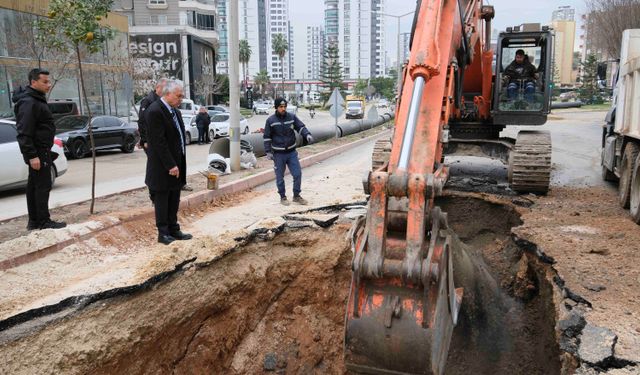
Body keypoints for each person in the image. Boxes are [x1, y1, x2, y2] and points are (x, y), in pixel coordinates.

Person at [13, 69, 67, 230]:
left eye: (49, 82)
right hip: (38, 151)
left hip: (41, 149)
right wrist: (32, 155)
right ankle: (43, 221)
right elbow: (24, 132)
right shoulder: (29, 102)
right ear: (33, 82)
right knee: (42, 186)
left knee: (34, 186)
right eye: (45, 82)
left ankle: (35, 221)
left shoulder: (35, 99)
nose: (48, 85)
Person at [144, 79, 193, 245]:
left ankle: (174, 228)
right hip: (162, 167)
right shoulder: (155, 111)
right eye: (178, 96)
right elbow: (159, 143)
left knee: (174, 198)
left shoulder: (175, 112)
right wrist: (170, 164)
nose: (181, 99)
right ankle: (163, 233)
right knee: (163, 199)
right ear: (167, 93)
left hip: (176, 164)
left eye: (182, 96)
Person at [263, 97, 314, 206]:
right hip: (278, 154)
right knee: (280, 177)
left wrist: (307, 134)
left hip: (291, 152)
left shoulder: (291, 117)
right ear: (276, 107)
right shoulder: (271, 121)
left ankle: (296, 196)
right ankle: (283, 197)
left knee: (297, 174)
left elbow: (300, 127)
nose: (283, 108)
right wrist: (268, 151)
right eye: (281, 107)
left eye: (285, 106)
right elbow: (267, 137)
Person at [138, 77, 168, 151]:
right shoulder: (148, 101)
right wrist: (145, 140)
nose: (166, 90)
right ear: (157, 87)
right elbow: (142, 121)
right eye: (164, 87)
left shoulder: (164, 100)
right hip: (151, 139)